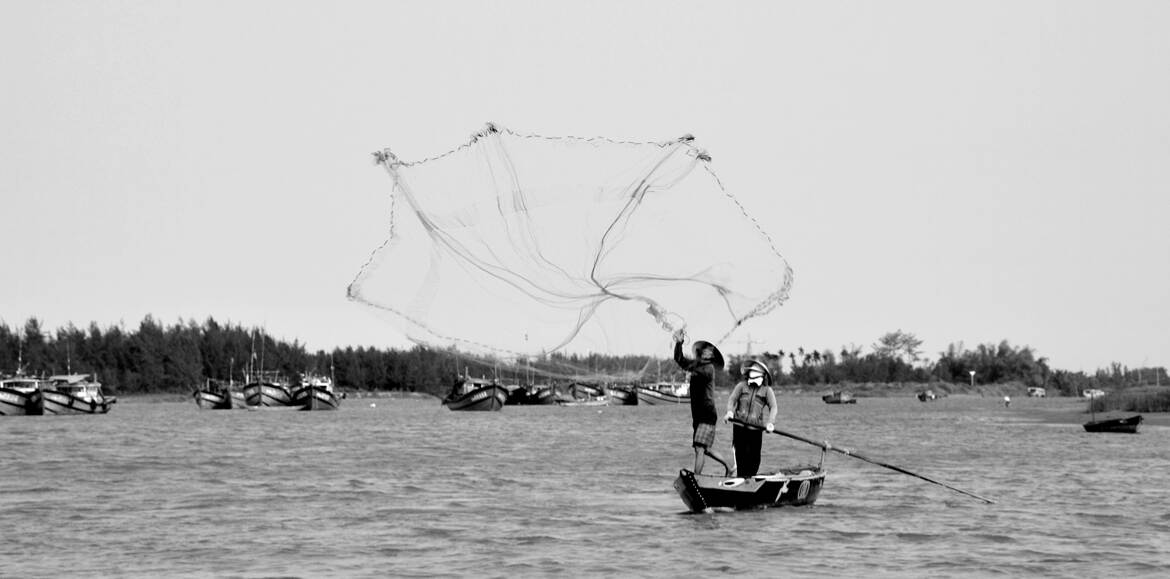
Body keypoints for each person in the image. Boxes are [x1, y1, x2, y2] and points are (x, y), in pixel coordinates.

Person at [673, 331, 733, 476]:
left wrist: (688, 371)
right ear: (700, 352)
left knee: (700, 448)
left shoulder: (708, 369)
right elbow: (679, 359)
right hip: (698, 415)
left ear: (712, 357)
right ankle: (730, 467)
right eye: (705, 350)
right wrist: (679, 343)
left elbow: (697, 372)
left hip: (707, 414)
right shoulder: (695, 365)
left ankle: (696, 478)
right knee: (703, 448)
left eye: (710, 352)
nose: (707, 353)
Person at [724, 359, 778, 478]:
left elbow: (773, 407)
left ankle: (750, 479)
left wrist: (770, 422)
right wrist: (729, 412)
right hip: (739, 427)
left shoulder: (767, 390)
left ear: (764, 376)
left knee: (754, 458)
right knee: (741, 456)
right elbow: (732, 399)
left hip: (756, 429)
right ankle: (742, 479)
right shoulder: (741, 386)